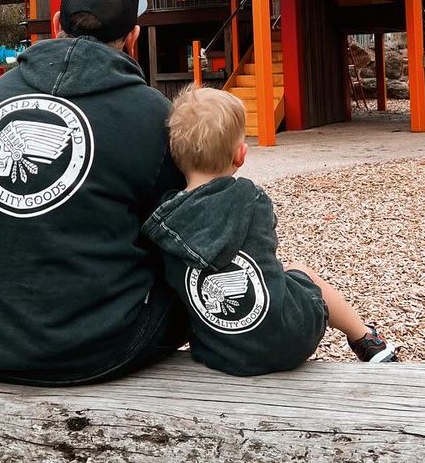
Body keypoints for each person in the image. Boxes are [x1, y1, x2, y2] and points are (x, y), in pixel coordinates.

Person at [0, 0, 188, 385]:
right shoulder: (150, 112)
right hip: (89, 350)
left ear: (58, 22)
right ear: (133, 37)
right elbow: (175, 229)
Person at [144, 86, 397, 376]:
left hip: (222, 354)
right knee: (300, 271)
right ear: (241, 155)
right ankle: (366, 339)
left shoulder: (164, 221)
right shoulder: (250, 199)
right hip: (292, 336)